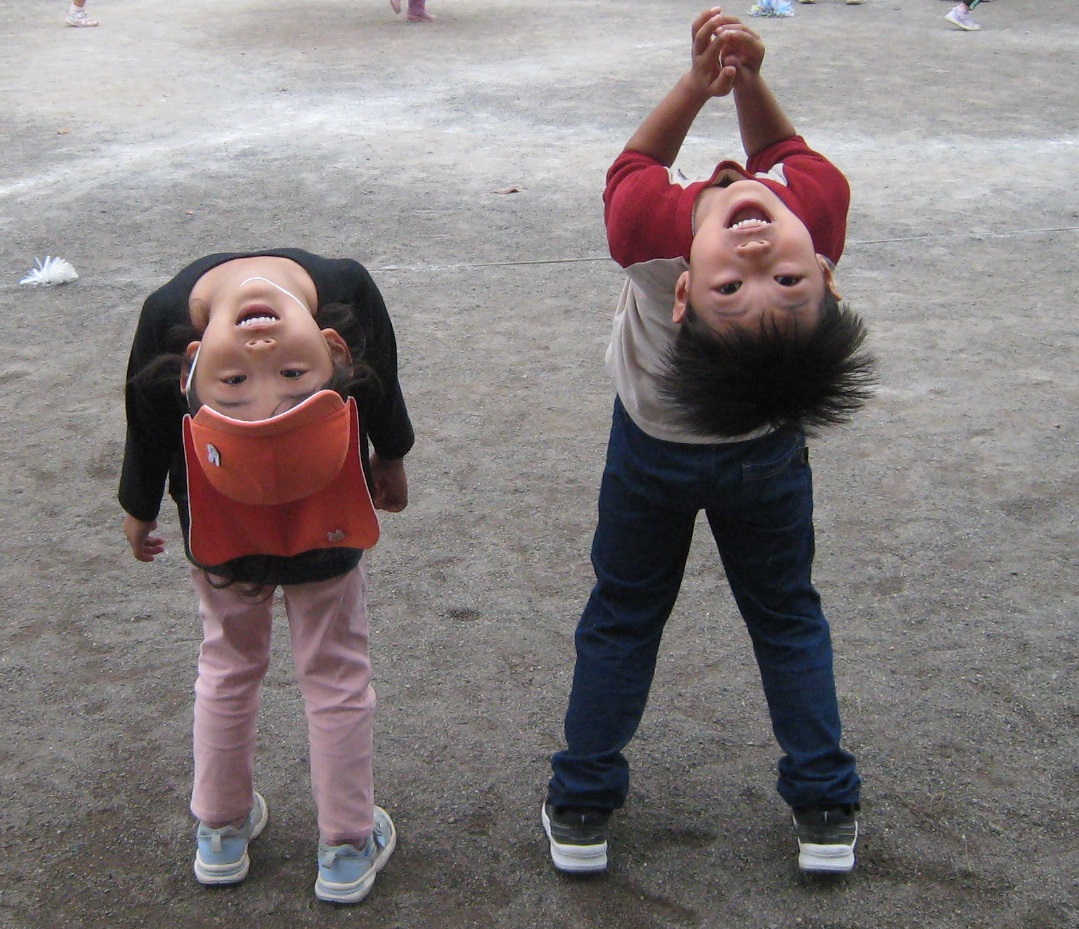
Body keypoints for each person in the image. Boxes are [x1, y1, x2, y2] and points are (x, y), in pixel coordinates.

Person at [542, 8, 876, 877]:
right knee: (786, 614)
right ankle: (824, 802)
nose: (762, 252)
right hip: (765, 455)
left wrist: (700, 83)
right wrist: (751, 77)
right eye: (788, 280)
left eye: (743, 282)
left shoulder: (653, 232)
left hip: (650, 449)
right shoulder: (818, 213)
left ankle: (582, 799)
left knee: (622, 614)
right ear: (828, 279)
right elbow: (785, 161)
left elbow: (633, 167)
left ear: (684, 293)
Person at [120, 250, 414, 903]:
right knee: (336, 671)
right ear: (334, 349)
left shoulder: (168, 309)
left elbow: (147, 424)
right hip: (323, 517)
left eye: (288, 374)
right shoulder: (344, 285)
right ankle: (346, 842)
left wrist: (138, 506)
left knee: (227, 664)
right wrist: (390, 457)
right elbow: (383, 384)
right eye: (234, 385)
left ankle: (220, 830)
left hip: (226, 528)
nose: (262, 359)